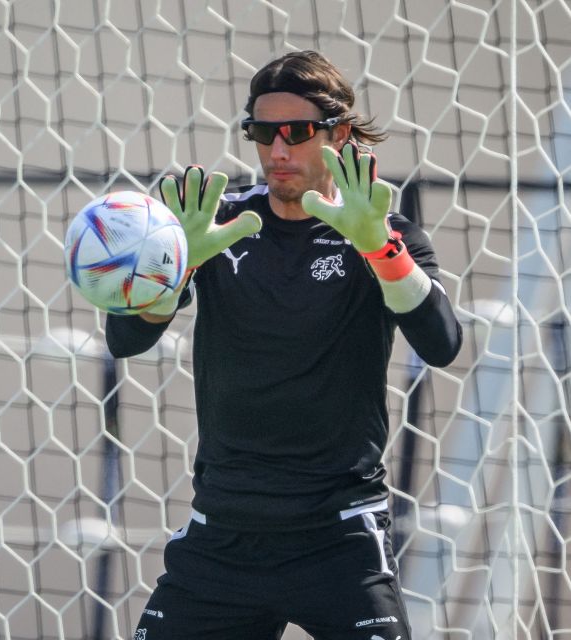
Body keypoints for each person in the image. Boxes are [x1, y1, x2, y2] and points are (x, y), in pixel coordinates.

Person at [107, 50, 462, 640]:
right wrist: (175, 266)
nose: (277, 151)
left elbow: (442, 342)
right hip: (223, 536)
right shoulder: (216, 225)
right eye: (261, 132)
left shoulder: (385, 234)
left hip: (339, 538)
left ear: (339, 133)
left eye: (296, 133)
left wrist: (381, 252)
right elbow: (125, 339)